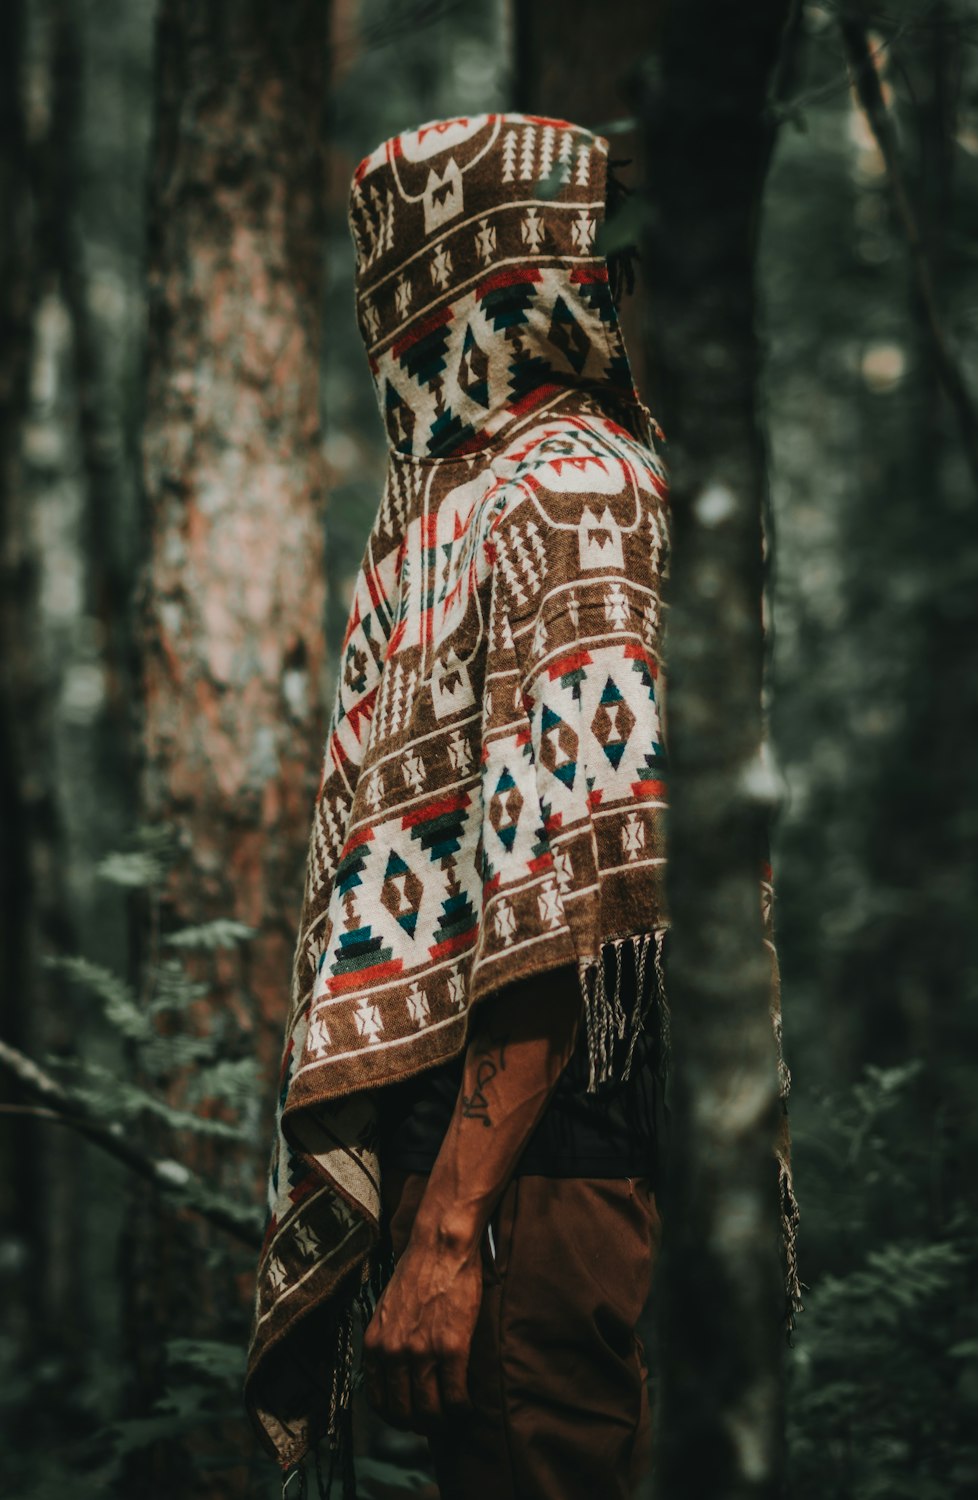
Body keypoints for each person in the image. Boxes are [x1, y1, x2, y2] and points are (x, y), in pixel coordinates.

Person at [245, 111, 676, 1499]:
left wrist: (447, 1232)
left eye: (402, 275)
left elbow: (582, 890)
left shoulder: (571, 493)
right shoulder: (457, 504)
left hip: (534, 1180)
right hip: (480, 1166)